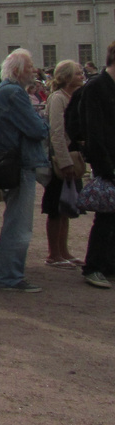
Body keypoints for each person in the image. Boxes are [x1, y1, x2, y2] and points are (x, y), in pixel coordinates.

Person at [0, 48, 51, 293]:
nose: (34, 70)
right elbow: (36, 129)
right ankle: (11, 275)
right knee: (20, 224)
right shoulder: (15, 93)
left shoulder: (4, 90)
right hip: (21, 161)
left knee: (13, 220)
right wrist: (42, 123)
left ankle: (2, 270)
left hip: (13, 160)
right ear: (17, 71)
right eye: (30, 66)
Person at [43, 60, 86, 268]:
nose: (82, 76)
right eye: (78, 73)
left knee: (67, 205)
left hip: (73, 155)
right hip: (62, 158)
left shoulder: (74, 97)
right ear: (67, 77)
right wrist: (64, 161)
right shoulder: (58, 99)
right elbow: (56, 134)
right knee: (56, 207)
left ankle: (65, 250)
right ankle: (54, 253)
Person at [80, 41, 115, 289]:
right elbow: (94, 131)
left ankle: (108, 264)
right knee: (105, 217)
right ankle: (93, 266)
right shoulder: (96, 87)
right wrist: (106, 167)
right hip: (107, 161)